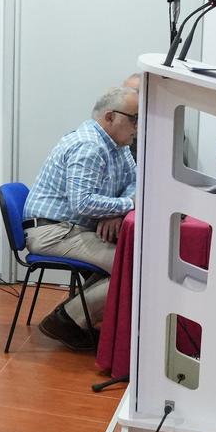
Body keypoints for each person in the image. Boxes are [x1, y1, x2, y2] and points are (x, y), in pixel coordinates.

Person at [22, 84, 140, 351]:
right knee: (134, 267)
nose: (138, 126)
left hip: (72, 227)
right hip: (53, 232)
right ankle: (66, 320)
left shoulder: (118, 145)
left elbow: (134, 181)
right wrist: (126, 205)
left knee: (130, 262)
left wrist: (117, 210)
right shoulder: (89, 146)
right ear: (110, 117)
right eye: (134, 119)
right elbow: (83, 203)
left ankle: (73, 315)